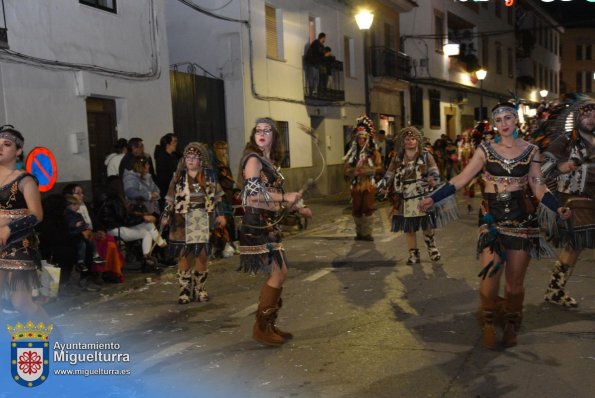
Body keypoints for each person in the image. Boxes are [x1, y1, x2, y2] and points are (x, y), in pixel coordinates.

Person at [420, 102, 572, 349]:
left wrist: (558, 208)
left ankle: (511, 323)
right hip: (492, 217)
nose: (503, 123)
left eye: (508, 118)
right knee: (490, 279)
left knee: (514, 284)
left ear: (515, 120)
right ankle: (489, 321)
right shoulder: (485, 149)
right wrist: (433, 198)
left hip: (522, 218)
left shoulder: (532, 150)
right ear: (494, 123)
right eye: (498, 119)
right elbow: (462, 178)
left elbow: (538, 185)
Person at [239, 118, 312, 346]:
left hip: (270, 224)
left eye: (267, 130)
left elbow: (273, 194)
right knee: (278, 272)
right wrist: (284, 197)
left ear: (274, 137)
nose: (262, 133)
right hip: (257, 224)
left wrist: (297, 206)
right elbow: (252, 196)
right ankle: (262, 327)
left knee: (281, 272)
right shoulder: (253, 160)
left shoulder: (269, 162)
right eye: (258, 130)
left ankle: (267, 325)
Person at [538, 95, 595, 308]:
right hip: (574, 199)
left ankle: (555, 289)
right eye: (586, 113)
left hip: (592, 198)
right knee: (575, 245)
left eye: (594, 114)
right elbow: (543, 169)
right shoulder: (565, 140)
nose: (590, 118)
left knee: (575, 247)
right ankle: (555, 289)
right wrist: (561, 166)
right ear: (578, 116)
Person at [163, 142, 226, 304]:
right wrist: (165, 215)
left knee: (202, 254)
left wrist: (220, 215)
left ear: (201, 160)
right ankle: (184, 290)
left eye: (194, 158)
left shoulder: (209, 177)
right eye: (188, 157)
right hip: (181, 219)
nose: (190, 161)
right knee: (185, 254)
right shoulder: (178, 177)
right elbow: (169, 199)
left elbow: (218, 198)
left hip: (202, 218)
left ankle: (200, 289)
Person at [0, 125, 50, 322]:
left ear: (18, 151)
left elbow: (37, 215)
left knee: (20, 301)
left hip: (19, 242)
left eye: (7, 144)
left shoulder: (24, 179)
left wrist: (9, 226)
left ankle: (55, 341)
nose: (0, 148)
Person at [379, 127, 442, 265]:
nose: (410, 142)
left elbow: (434, 170)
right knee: (409, 227)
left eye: (413, 139)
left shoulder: (426, 155)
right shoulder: (397, 158)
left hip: (423, 194)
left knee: (427, 224)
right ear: (403, 141)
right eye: (407, 139)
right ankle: (413, 253)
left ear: (417, 140)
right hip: (404, 196)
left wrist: (434, 179)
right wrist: (382, 185)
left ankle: (432, 247)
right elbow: (389, 173)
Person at [95, 176, 165, 274]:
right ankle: (150, 258)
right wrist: (143, 218)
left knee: (147, 225)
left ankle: (156, 248)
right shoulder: (115, 200)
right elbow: (126, 220)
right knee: (146, 232)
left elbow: (124, 218)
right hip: (116, 230)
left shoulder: (106, 198)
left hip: (113, 228)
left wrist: (142, 218)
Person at [62, 183, 125, 283]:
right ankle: (95, 273)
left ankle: (111, 271)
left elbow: (95, 222)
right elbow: (74, 228)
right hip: (81, 236)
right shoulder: (67, 211)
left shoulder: (86, 206)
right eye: (78, 193)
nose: (81, 195)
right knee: (100, 243)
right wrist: (92, 234)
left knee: (110, 239)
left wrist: (100, 231)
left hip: (91, 233)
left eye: (82, 193)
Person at [343, 115, 383, 241]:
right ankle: (359, 232)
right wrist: (353, 172)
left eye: (363, 138)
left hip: (368, 184)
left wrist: (368, 170)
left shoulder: (373, 153)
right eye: (359, 138)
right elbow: (346, 170)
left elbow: (380, 168)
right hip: (356, 185)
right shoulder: (353, 154)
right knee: (357, 208)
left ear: (367, 139)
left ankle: (367, 233)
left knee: (368, 207)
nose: (361, 140)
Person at [154, 133, 180, 210]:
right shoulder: (162, 158)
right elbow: (163, 178)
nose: (176, 144)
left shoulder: (173, 156)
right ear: (168, 144)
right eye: (174, 142)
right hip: (167, 191)